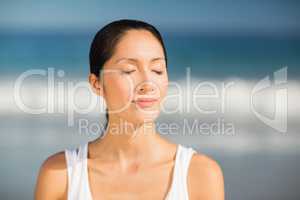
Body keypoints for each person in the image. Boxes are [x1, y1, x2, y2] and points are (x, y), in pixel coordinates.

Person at [34, 19, 224, 200]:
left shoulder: (201, 175)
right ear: (96, 83)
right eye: (128, 71)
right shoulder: (60, 174)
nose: (148, 84)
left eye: (157, 70)